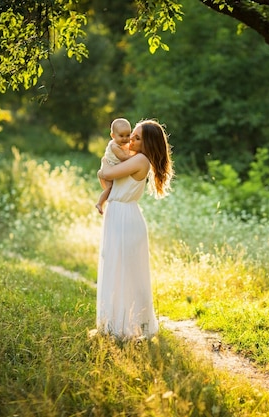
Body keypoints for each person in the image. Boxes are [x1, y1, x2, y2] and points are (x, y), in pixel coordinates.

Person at [94, 119, 174, 340]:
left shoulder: (139, 159)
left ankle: (126, 328)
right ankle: (113, 325)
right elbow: (110, 183)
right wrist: (106, 169)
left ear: (147, 143)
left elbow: (106, 175)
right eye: (132, 136)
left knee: (123, 272)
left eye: (137, 137)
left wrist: (105, 164)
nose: (131, 140)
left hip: (124, 218)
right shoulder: (133, 158)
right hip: (118, 214)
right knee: (117, 270)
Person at [95, 118, 133, 215]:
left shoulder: (122, 144)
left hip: (110, 168)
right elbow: (123, 157)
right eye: (121, 136)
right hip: (107, 170)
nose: (125, 138)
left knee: (114, 189)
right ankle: (100, 203)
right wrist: (135, 156)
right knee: (109, 188)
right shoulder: (114, 146)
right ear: (113, 136)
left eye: (128, 135)